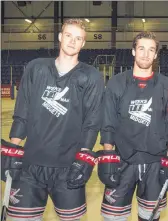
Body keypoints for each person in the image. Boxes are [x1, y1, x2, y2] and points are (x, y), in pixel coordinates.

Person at [1, 19, 104, 221]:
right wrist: (14, 148)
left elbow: (92, 121)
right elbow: (22, 110)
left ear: (83, 43)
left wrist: (83, 156)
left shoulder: (92, 76)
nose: (72, 42)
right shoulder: (35, 68)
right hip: (30, 165)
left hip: (68, 167)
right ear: (59, 37)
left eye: (78, 38)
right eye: (68, 35)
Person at [99, 31, 168, 221]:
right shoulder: (117, 83)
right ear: (133, 51)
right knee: (113, 217)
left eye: (151, 50)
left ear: (156, 54)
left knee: (150, 217)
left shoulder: (166, 85)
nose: (145, 54)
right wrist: (108, 156)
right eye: (141, 48)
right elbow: (108, 122)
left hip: (155, 163)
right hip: (121, 161)